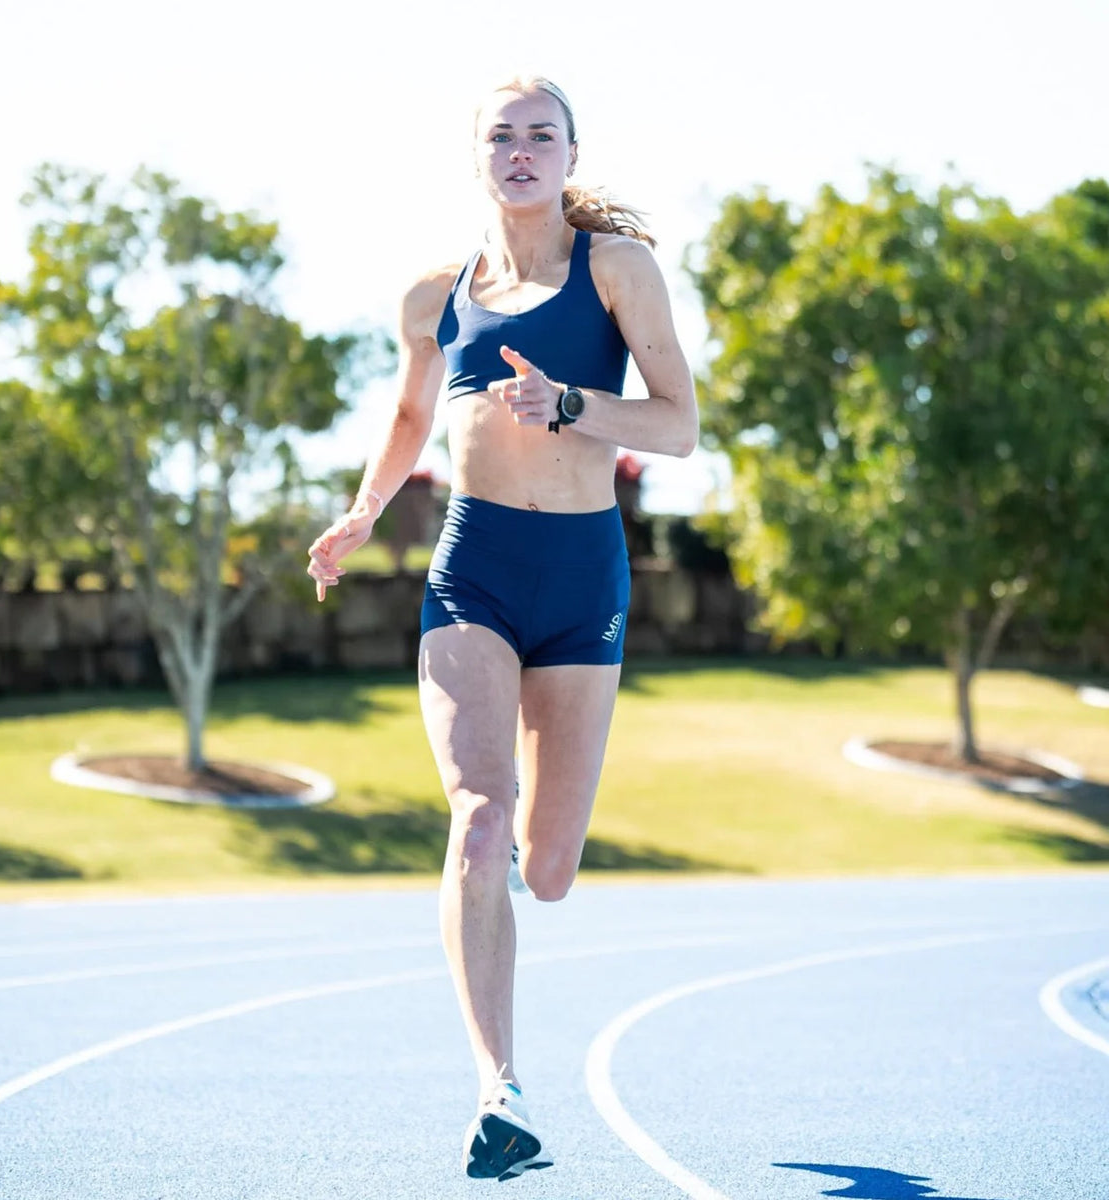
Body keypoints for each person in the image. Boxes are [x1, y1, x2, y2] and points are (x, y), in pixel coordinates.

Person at [307, 75, 696, 1181]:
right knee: (479, 820)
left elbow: (679, 426)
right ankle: (500, 1090)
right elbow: (408, 417)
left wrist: (569, 405)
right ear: (476, 157)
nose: (520, 152)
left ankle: (526, 875)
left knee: (551, 866)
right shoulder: (435, 294)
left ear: (572, 154)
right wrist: (360, 513)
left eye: (541, 136)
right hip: (471, 572)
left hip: (583, 580)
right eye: (501, 136)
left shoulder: (616, 272)